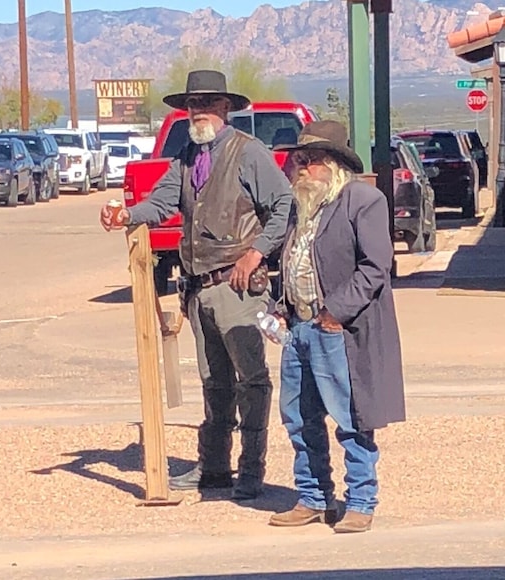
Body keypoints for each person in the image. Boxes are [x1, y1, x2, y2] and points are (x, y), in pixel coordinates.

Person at [100, 70, 293, 499]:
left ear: (225, 108)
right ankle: (215, 468)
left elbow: (284, 204)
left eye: (206, 103)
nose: (197, 111)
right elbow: (161, 202)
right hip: (199, 288)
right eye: (192, 105)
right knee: (214, 381)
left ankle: (252, 470)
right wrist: (126, 215)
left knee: (251, 379)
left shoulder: (249, 152)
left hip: (238, 287)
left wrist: (256, 252)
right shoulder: (187, 157)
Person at [264, 121, 406, 534]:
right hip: (298, 328)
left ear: (334, 163)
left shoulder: (363, 200)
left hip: (337, 329)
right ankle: (313, 497)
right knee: (299, 418)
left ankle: (360, 501)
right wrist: (281, 307)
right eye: (299, 159)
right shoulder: (301, 204)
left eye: (310, 160)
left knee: (351, 419)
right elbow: (293, 263)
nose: (301, 167)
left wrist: (334, 313)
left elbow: (375, 266)